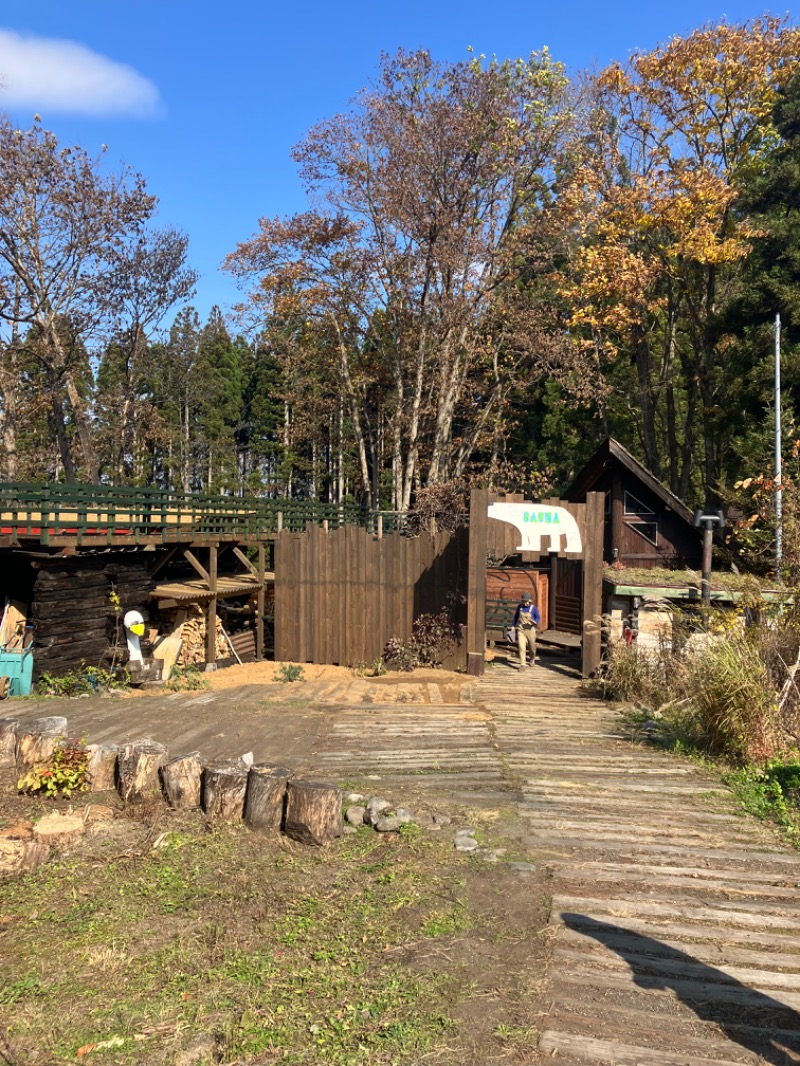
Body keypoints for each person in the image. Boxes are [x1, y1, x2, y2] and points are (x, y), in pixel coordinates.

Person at [513, 594, 540, 670]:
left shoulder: (533, 608)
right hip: (521, 629)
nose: (526, 603)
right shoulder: (520, 607)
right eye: (524, 601)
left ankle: (532, 658)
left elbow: (538, 617)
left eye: (527, 601)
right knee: (521, 647)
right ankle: (523, 664)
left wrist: (535, 621)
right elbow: (516, 617)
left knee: (531, 647)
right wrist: (513, 625)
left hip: (530, 630)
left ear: (530, 601)